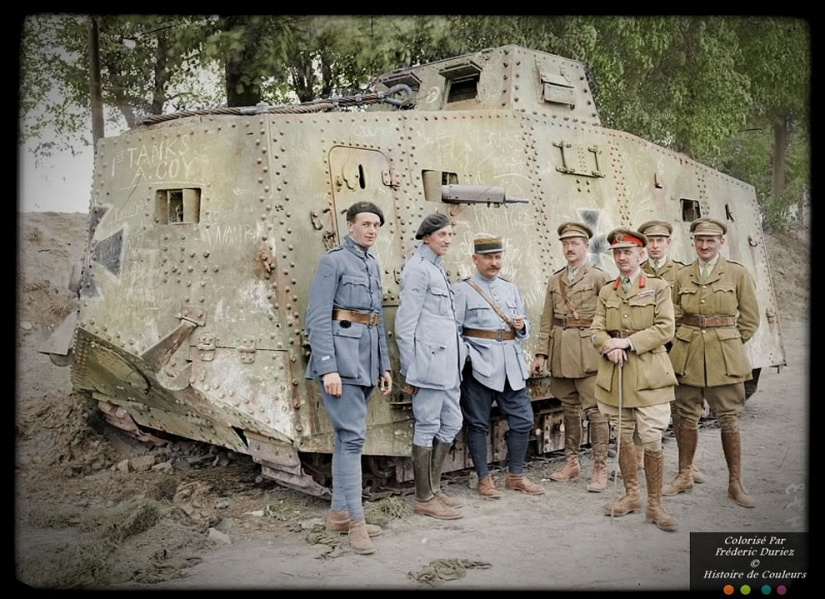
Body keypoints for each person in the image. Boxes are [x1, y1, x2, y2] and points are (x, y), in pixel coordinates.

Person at [304, 201, 392, 555]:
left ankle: (339, 515)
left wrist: (384, 366)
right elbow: (317, 316)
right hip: (341, 362)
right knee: (353, 439)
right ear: (350, 226)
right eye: (365, 224)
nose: (371, 230)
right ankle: (356, 522)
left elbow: (376, 318)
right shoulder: (333, 261)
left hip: (366, 361)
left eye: (376, 225)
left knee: (346, 439)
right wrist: (328, 367)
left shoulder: (371, 263)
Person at [663, 217, 760, 508]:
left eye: (710, 240)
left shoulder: (737, 273)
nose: (704, 246)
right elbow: (674, 311)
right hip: (687, 355)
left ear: (721, 242)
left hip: (725, 359)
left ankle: (735, 484)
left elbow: (751, 319)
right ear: (693, 242)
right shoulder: (682, 274)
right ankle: (684, 475)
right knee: (683, 416)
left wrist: (726, 342)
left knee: (729, 419)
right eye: (699, 240)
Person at [591, 227, 679, 531]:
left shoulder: (658, 287)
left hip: (650, 376)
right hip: (616, 377)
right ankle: (631, 495)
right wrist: (607, 345)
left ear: (641, 254)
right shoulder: (607, 290)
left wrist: (626, 343)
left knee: (652, 437)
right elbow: (596, 329)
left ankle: (656, 505)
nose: (622, 257)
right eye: (617, 253)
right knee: (624, 436)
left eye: (627, 252)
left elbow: (666, 329)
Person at [454, 233, 544, 498]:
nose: (494, 263)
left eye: (497, 257)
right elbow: (455, 330)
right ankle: (484, 479)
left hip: (511, 367)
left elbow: (523, 325)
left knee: (523, 420)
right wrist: (468, 357)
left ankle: (515, 475)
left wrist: (522, 326)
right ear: (475, 259)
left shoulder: (510, 288)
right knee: (478, 424)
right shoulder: (463, 289)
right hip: (479, 366)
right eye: (488, 258)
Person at [531, 222, 610, 493]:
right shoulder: (556, 280)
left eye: (575, 243)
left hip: (589, 354)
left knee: (596, 411)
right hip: (561, 352)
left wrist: (609, 347)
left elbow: (609, 316)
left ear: (586, 246)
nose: (569, 248)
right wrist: (541, 353)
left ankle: (600, 467)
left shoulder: (599, 277)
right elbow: (546, 319)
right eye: (565, 244)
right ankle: (571, 462)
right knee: (568, 408)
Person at [395, 213, 464, 520]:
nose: (447, 240)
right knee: (427, 425)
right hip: (428, 365)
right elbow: (405, 324)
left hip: (447, 364)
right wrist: (411, 372)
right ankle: (423, 497)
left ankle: (434, 489)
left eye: (450, 235)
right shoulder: (418, 270)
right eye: (441, 236)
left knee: (452, 421)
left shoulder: (436, 268)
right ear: (426, 238)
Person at [635, 220, 705, 483]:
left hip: (675, 348)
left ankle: (687, 464)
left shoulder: (681, 273)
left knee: (681, 406)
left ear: (668, 243)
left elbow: (685, 308)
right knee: (641, 401)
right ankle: (639, 457)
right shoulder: (635, 271)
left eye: (659, 241)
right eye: (650, 241)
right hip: (644, 348)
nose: (654, 246)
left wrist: (668, 336)